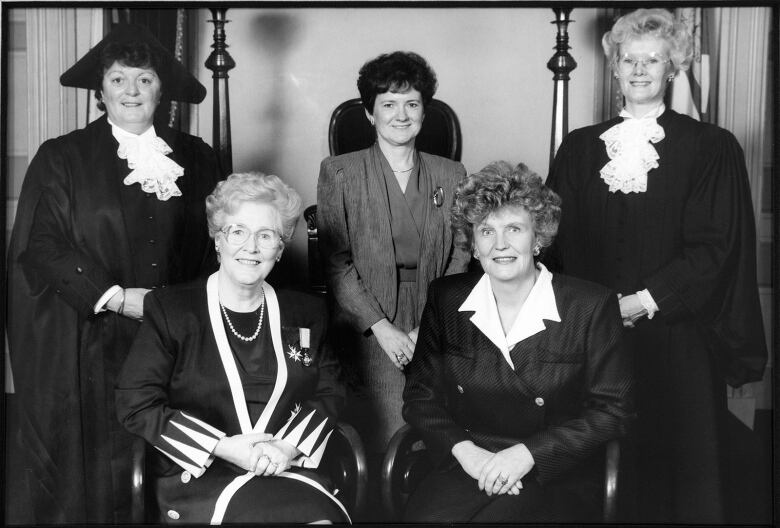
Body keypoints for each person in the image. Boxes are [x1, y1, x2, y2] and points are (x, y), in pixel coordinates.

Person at [545, 8, 768, 523]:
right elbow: (553, 242)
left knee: (678, 466)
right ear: (616, 67)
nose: (640, 70)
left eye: (653, 59)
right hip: (593, 336)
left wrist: (642, 302)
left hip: (677, 338)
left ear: (673, 67)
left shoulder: (710, 147)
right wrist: (594, 310)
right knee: (595, 459)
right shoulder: (579, 148)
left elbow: (716, 247)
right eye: (630, 59)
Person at [5, 24, 221, 523]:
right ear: (101, 90)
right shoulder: (62, 157)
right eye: (119, 79)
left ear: (161, 89)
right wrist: (118, 297)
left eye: (144, 80)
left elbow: (219, 241)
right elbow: (41, 246)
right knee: (100, 463)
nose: (131, 91)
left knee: (173, 452)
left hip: (176, 337)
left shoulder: (197, 156)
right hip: (92, 337)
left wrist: (185, 309)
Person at [402, 161, 634, 523]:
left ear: (538, 237)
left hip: (553, 471)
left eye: (514, 228)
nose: (501, 245)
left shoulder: (589, 305)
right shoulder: (446, 298)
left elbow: (613, 412)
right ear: (473, 244)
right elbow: (420, 399)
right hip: (470, 463)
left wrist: (527, 455)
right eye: (486, 231)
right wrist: (469, 455)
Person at [115, 172, 349, 524]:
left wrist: (286, 448)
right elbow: (135, 403)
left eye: (266, 235)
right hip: (202, 475)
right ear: (217, 239)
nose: (251, 247)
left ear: (281, 248)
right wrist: (222, 447)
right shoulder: (172, 310)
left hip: (284, 470)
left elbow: (331, 392)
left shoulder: (306, 312)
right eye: (238, 231)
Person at [317, 51, 469, 457]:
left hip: (435, 321)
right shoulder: (340, 172)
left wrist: (428, 327)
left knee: (440, 440)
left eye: (412, 104)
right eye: (388, 104)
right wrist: (382, 328)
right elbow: (337, 264)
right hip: (368, 325)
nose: (401, 115)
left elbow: (461, 255)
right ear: (370, 113)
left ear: (424, 111)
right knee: (388, 440)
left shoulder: (451, 174)